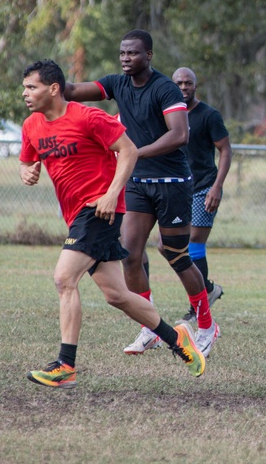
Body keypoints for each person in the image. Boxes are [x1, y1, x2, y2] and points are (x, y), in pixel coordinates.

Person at [18, 59, 204, 387]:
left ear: (54, 88)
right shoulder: (31, 125)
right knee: (117, 295)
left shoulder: (87, 116)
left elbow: (128, 151)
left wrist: (111, 195)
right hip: (76, 214)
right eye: (25, 88)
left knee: (64, 279)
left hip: (101, 210)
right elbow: (27, 160)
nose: (26, 94)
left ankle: (66, 365)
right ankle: (178, 340)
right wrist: (28, 171)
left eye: (31, 87)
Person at [64, 30, 219, 359]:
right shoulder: (117, 84)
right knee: (130, 254)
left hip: (173, 182)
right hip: (137, 182)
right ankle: (150, 326)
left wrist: (137, 153)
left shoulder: (164, 88)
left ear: (148, 55)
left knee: (175, 254)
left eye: (132, 53)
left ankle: (206, 325)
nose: (125, 58)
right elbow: (75, 91)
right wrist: (49, 82)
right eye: (122, 53)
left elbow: (180, 134)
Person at [172, 67, 232, 324]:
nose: (183, 87)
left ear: (195, 86)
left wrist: (217, 187)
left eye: (188, 83)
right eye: (179, 83)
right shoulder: (168, 115)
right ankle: (207, 290)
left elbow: (226, 150)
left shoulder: (208, 115)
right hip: (177, 187)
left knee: (194, 242)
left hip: (204, 187)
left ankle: (197, 307)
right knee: (171, 246)